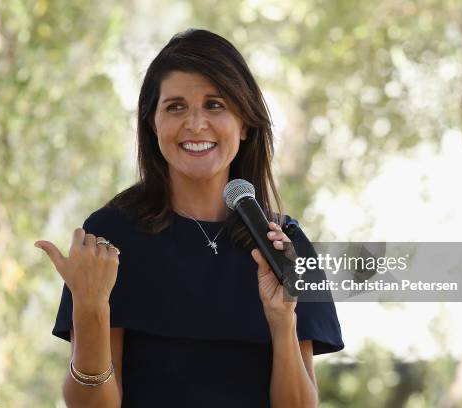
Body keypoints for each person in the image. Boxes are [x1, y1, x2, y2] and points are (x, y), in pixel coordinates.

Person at [35, 28, 343, 408]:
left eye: (215, 105)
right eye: (176, 106)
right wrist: (90, 308)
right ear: (153, 123)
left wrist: (282, 323)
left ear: (244, 123)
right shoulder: (111, 236)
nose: (196, 124)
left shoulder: (284, 244)